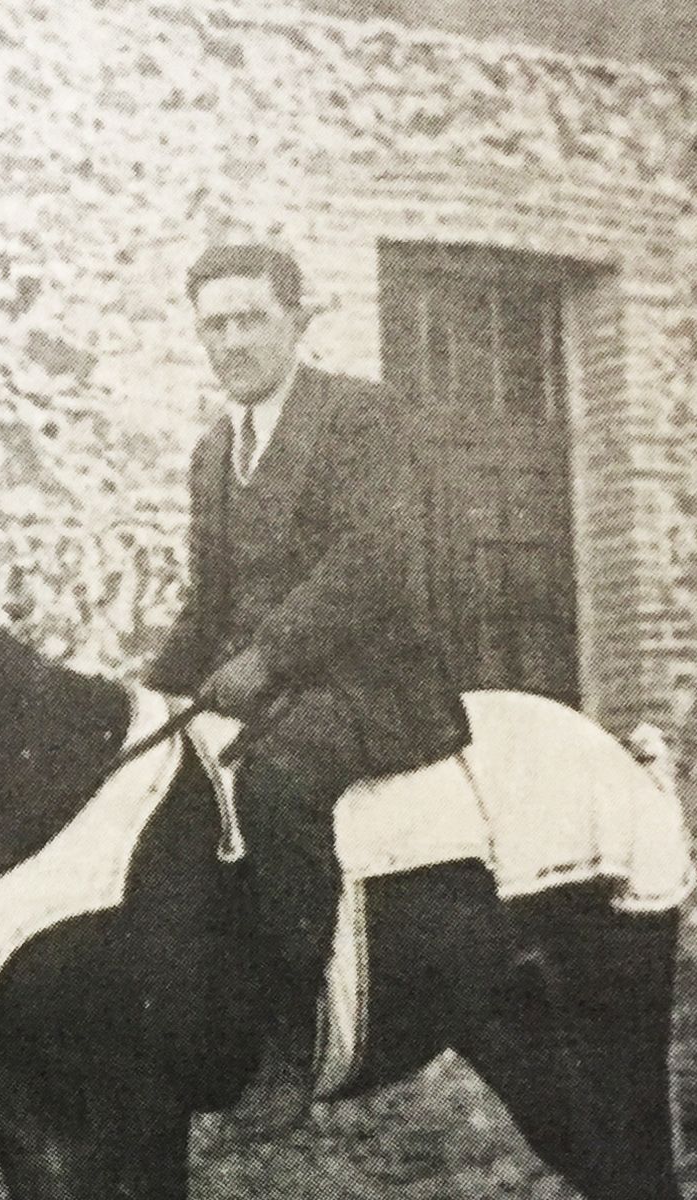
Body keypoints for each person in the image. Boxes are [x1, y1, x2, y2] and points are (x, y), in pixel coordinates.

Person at [143, 240, 469, 1012]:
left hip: (367, 681)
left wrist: (268, 656)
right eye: (214, 326)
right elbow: (208, 600)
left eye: (250, 319)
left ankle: (294, 1020)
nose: (232, 342)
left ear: (296, 320)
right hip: (263, 687)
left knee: (274, 785)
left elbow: (374, 557)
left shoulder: (361, 415)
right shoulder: (214, 451)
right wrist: (144, 700)